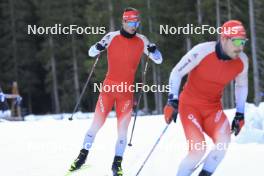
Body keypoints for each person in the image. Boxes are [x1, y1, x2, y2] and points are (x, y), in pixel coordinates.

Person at [69, 7, 163, 176]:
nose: (135, 26)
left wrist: (155, 51)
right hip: (108, 89)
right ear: (124, 22)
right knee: (95, 125)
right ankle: (82, 157)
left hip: (126, 92)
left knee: (122, 131)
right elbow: (91, 52)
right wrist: (97, 46)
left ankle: (116, 164)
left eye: (137, 22)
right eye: (132, 22)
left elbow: (158, 60)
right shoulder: (111, 37)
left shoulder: (142, 40)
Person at [164, 20, 248, 176]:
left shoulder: (242, 61)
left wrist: (240, 113)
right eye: (236, 41)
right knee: (198, 149)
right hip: (190, 105)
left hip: (212, 108)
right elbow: (176, 73)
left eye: (243, 42)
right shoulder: (202, 51)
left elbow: (241, 86)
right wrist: (172, 100)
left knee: (223, 143)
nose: (240, 47)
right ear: (224, 38)